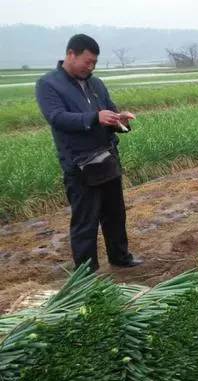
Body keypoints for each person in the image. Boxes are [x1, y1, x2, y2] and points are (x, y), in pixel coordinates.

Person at [36, 34, 142, 272]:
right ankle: (86, 272)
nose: (91, 66)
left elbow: (109, 111)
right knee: (86, 220)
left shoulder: (96, 83)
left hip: (107, 158)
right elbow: (57, 118)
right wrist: (95, 117)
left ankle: (120, 257)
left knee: (115, 213)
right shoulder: (49, 84)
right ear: (71, 54)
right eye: (87, 61)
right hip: (79, 164)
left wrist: (119, 120)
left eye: (94, 62)